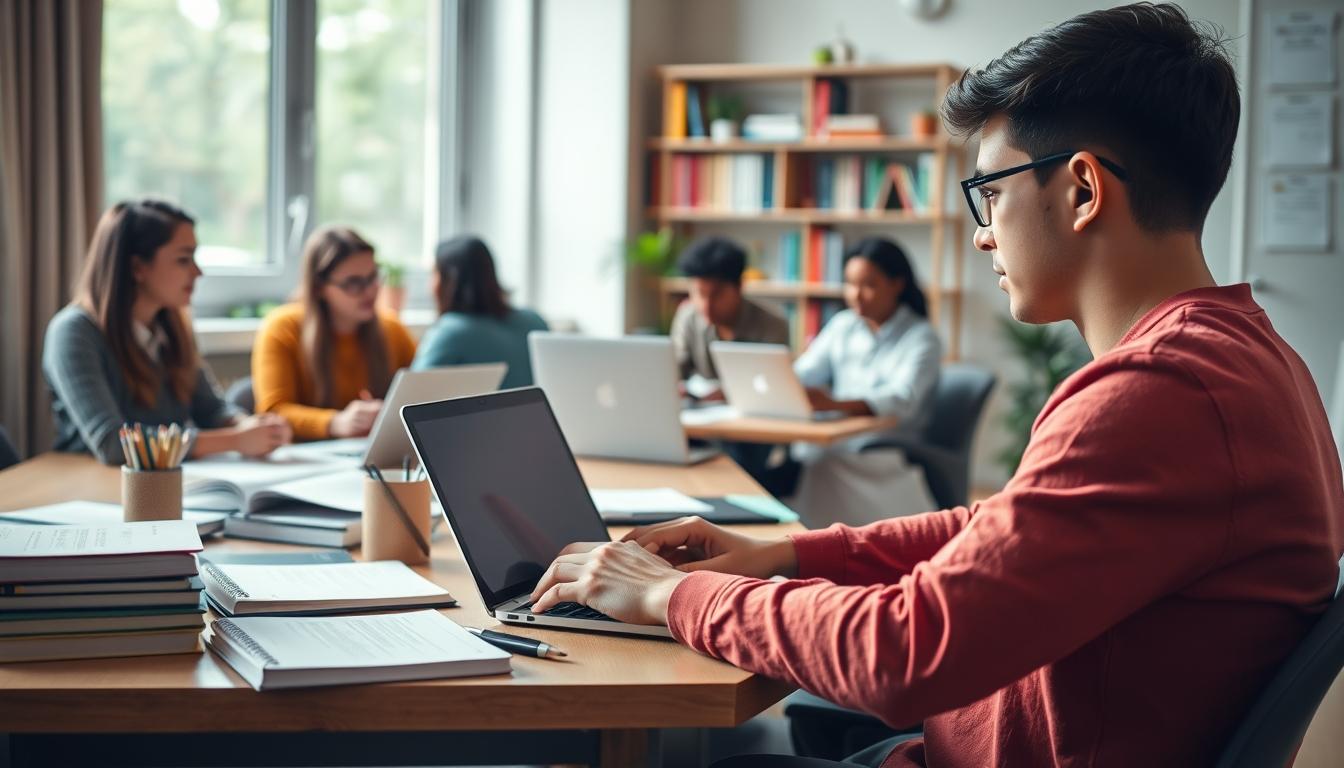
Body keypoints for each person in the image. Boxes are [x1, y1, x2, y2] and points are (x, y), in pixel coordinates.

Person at [524, 5, 1344, 767]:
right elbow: (1001, 525)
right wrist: (786, 552)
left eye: (990, 191)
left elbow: (908, 654)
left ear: (1084, 190)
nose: (983, 234)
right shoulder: (1248, 358)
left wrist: (672, 595)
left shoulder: (1161, 391)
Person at [44, 199, 292, 464]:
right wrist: (235, 440)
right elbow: (114, 444)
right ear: (138, 267)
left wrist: (253, 427)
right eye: (184, 259)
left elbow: (211, 410)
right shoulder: (74, 332)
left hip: (163, 481)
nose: (198, 272)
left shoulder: (173, 329)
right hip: (88, 483)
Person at [789, 237, 942, 527]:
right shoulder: (843, 325)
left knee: (820, 461)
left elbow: (903, 400)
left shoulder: (921, 336)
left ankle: (821, 542)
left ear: (897, 284)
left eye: (868, 285)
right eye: (850, 283)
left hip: (887, 446)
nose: (856, 295)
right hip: (840, 437)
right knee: (805, 457)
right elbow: (804, 372)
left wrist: (834, 403)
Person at [252, 226, 416, 441]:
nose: (370, 291)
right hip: (305, 459)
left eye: (373, 276)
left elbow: (420, 398)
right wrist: (335, 423)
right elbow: (273, 411)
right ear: (319, 287)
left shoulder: (392, 330)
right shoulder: (282, 329)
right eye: (354, 283)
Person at [411, 235, 548, 389]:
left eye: (434, 273)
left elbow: (412, 396)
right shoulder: (535, 322)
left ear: (447, 280)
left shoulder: (450, 332)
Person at [670, 235, 789, 390]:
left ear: (739, 287)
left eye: (717, 295)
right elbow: (674, 371)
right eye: (700, 293)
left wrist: (727, 394)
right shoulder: (688, 317)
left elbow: (775, 386)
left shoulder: (772, 325)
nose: (707, 305)